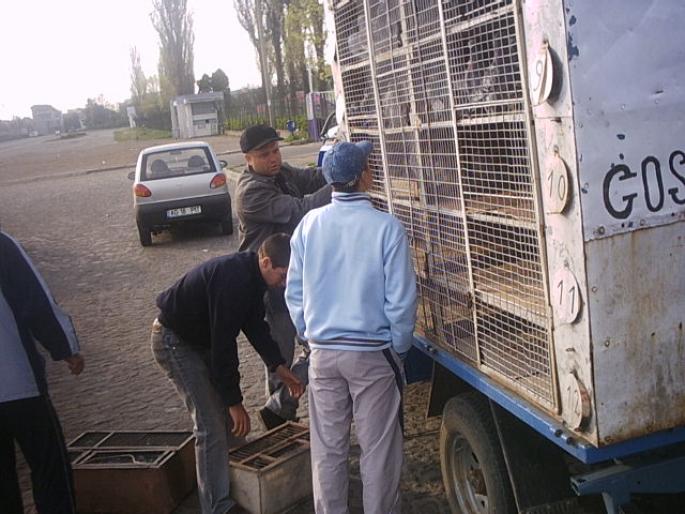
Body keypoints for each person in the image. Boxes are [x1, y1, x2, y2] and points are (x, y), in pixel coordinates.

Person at [285, 141, 418, 514]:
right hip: (372, 353)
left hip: (323, 354)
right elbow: (402, 302)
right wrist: (400, 347)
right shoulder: (386, 227)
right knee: (378, 451)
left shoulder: (309, 224)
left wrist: (307, 333)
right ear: (364, 176)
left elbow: (293, 292)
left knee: (328, 449)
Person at [151, 233, 304, 514]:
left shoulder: (254, 277)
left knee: (229, 427)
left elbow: (256, 327)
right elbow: (224, 346)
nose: (284, 285)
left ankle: (236, 489)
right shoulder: (235, 280)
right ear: (267, 262)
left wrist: (280, 367)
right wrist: (234, 403)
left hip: (201, 341)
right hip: (175, 341)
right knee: (211, 424)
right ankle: (216, 506)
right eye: (283, 277)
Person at [235, 124, 332, 429]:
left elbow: (313, 177)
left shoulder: (281, 174)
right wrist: (343, 181)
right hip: (270, 288)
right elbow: (301, 209)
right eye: (264, 154)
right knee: (279, 361)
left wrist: (333, 164)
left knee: (319, 348)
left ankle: (279, 409)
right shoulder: (251, 192)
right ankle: (278, 425)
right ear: (248, 159)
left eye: (275, 150)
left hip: (295, 280)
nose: (273, 158)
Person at [0, 230, 85, 514]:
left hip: (17, 383)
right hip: (19, 383)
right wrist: (65, 348)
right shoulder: (2, 245)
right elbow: (35, 300)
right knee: (49, 470)